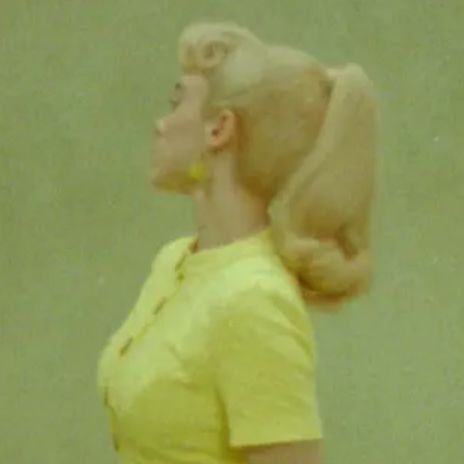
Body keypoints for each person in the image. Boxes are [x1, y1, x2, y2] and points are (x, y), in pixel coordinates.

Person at [97, 21, 377, 464]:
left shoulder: (255, 298)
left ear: (219, 128)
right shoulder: (174, 261)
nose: (160, 124)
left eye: (176, 103)